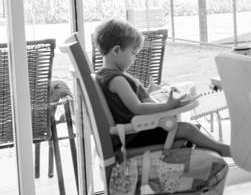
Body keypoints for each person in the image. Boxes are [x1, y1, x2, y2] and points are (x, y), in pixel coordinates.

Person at [94, 18, 230, 157]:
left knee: (188, 131)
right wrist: (168, 105)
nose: (134, 59)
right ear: (116, 50)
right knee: (188, 129)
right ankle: (224, 150)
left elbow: (125, 104)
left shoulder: (103, 75)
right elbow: (137, 108)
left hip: (136, 131)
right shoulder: (117, 80)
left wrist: (147, 92)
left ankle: (215, 152)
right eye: (133, 53)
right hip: (136, 134)